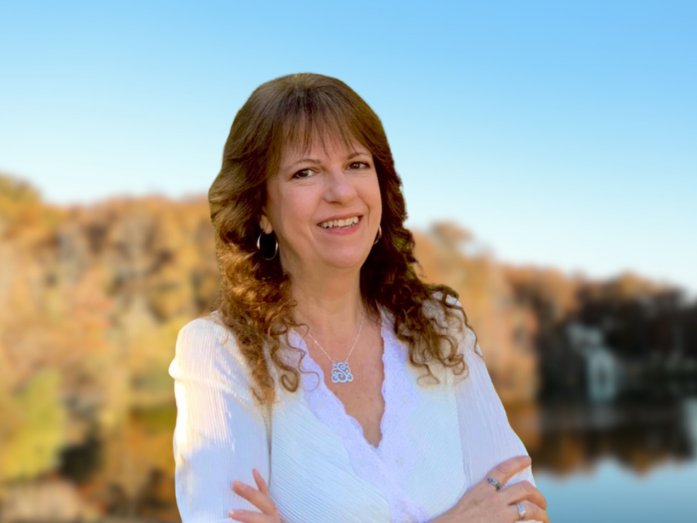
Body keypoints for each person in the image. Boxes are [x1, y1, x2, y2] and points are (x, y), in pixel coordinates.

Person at [168, 72, 549, 523]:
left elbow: (522, 508)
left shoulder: (440, 326)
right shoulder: (220, 353)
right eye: (305, 172)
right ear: (261, 208)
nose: (342, 192)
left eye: (356, 164)